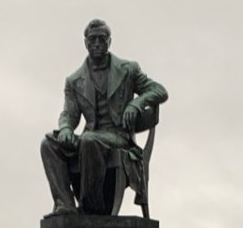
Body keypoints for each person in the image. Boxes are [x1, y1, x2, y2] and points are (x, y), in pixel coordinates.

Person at [40, 18, 168, 216]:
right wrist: (65, 128)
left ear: (109, 41)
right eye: (92, 40)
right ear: (85, 43)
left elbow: (160, 91)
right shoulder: (74, 80)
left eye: (101, 39)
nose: (97, 44)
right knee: (48, 143)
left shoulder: (128, 70)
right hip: (89, 137)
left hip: (118, 137)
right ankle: (65, 204)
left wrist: (135, 103)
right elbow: (69, 114)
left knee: (89, 141)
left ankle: (92, 208)